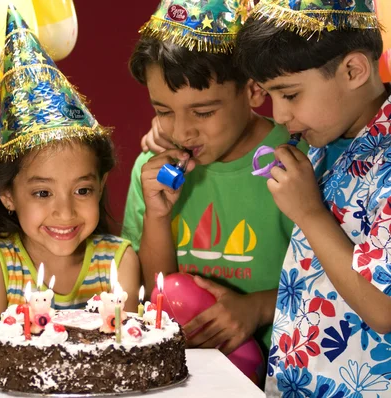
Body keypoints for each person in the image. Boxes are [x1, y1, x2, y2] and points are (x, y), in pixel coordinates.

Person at [122, 0, 306, 356]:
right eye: (163, 112)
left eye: (203, 112)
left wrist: (257, 307)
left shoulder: (295, 158)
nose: (182, 132)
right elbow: (157, 292)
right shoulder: (152, 172)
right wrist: (158, 215)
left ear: (254, 90)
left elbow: (336, 283)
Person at [0, 6, 140, 356]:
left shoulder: (117, 262)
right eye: (42, 192)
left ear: (100, 187)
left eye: (82, 190)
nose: (65, 212)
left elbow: (126, 362)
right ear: (8, 195)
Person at [235, 1, 391, 395]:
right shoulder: (325, 136)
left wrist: (308, 212)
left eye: (289, 94)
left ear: (354, 70)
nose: (280, 114)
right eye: (271, 94)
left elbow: (383, 308)